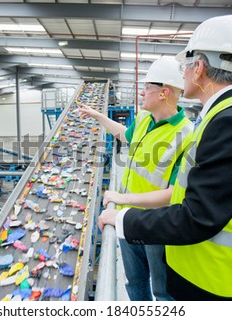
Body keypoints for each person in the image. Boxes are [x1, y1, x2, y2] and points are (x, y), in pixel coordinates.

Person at [98, 14, 232, 301]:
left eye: (185, 65)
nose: (182, 73)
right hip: (206, 273)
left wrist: (123, 218)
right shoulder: (220, 116)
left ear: (199, 68)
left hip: (221, 285)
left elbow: (197, 216)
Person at [80, 57, 193, 301]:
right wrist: (98, 116)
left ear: (164, 92)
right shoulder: (144, 118)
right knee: (135, 283)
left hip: (157, 226)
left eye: (147, 88)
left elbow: (174, 193)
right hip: (128, 218)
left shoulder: (187, 134)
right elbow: (124, 136)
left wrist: (121, 198)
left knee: (163, 290)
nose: (142, 92)